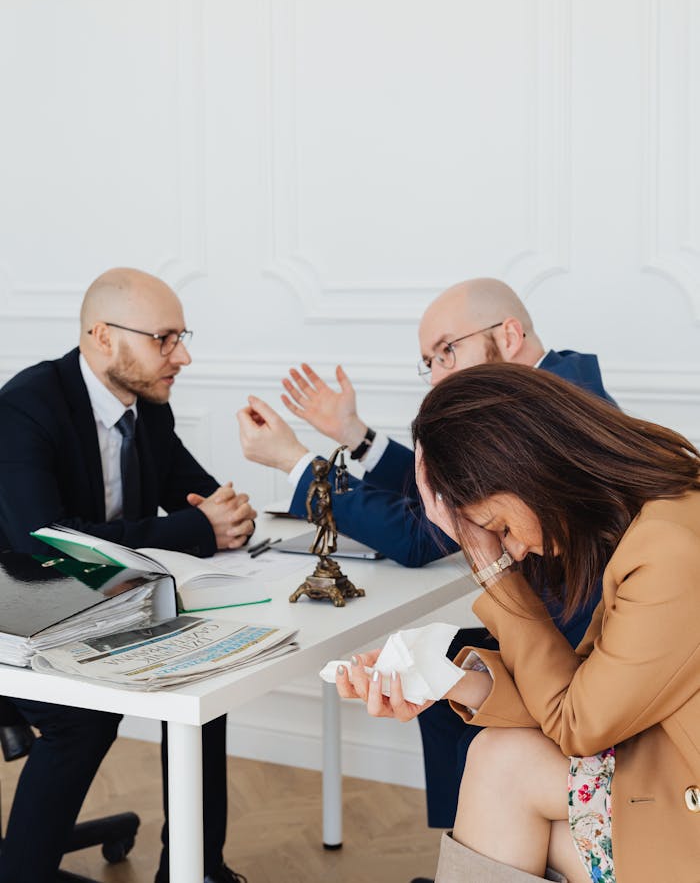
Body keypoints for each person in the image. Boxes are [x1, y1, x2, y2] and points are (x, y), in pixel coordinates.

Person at [237, 278, 616, 842]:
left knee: (442, 664)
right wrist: (355, 437)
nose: (438, 375)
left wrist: (299, 465)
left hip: (581, 650)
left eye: (447, 351)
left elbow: (421, 536)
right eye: (429, 362)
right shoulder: (562, 387)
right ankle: (476, 843)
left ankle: (478, 842)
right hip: (576, 630)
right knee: (444, 661)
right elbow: (441, 504)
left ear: (508, 335)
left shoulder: (535, 423)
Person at [336, 364, 700, 883]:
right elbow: (587, 687)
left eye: (501, 526)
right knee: (500, 771)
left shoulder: (670, 550)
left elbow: (578, 724)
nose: (512, 547)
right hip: (668, 773)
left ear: (530, 465)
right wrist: (445, 681)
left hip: (677, 794)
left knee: (499, 791)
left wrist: (492, 569)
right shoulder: (651, 517)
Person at [0, 268, 255, 883]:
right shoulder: (24, 409)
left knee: (204, 678)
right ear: (102, 337)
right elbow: (48, 548)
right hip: (14, 611)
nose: (183, 356)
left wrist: (228, 516)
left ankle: (194, 870)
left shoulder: (145, 408)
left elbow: (198, 500)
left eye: (181, 337)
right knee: (83, 717)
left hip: (94, 605)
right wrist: (199, 528)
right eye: (165, 338)